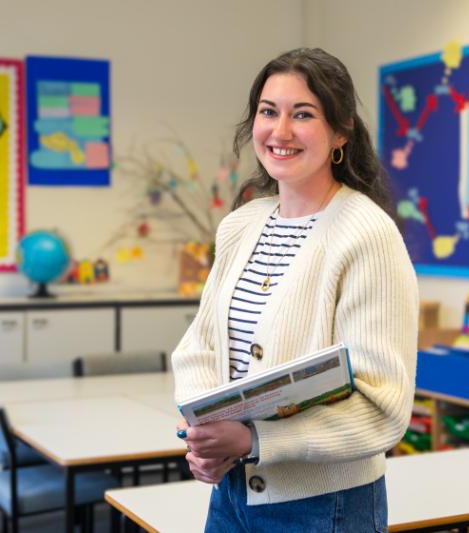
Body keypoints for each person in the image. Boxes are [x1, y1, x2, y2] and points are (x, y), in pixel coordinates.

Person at [172, 47, 417, 532]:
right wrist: (205, 438)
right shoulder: (241, 226)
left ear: (340, 131)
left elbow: (383, 407)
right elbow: (200, 348)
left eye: (302, 114)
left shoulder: (367, 233)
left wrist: (256, 440)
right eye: (269, 112)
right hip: (232, 492)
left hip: (326, 504)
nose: (279, 131)